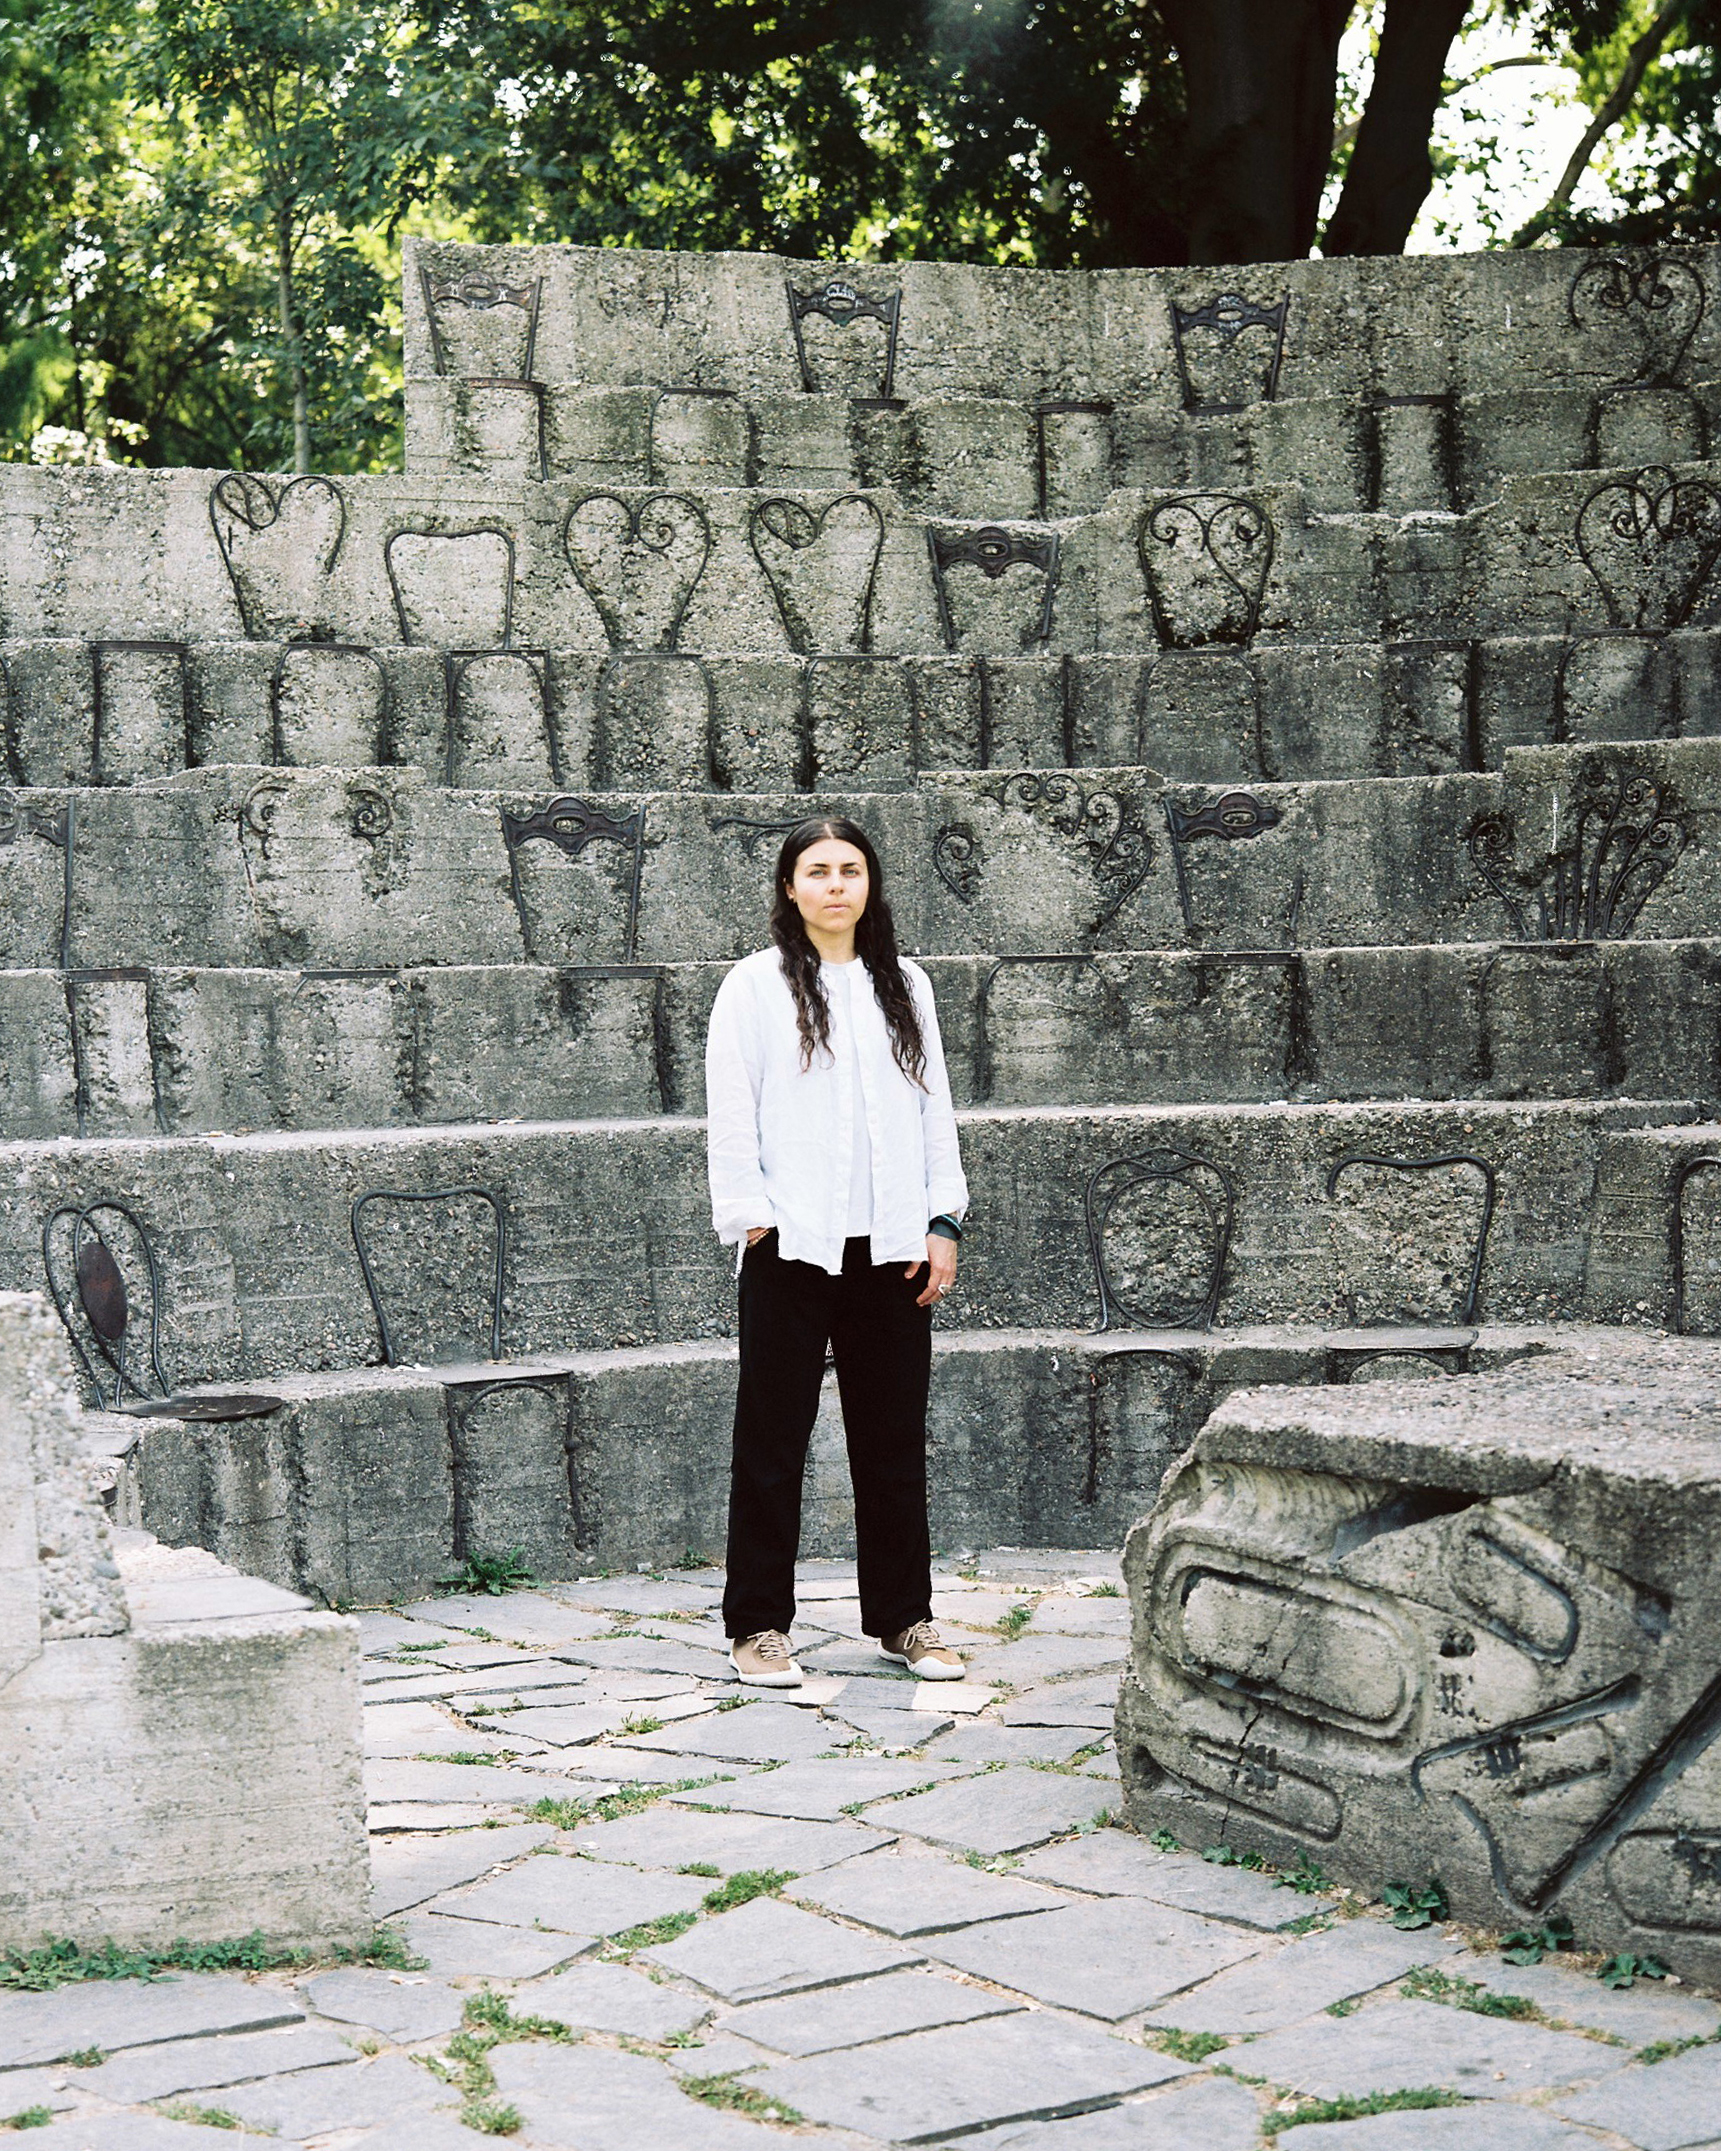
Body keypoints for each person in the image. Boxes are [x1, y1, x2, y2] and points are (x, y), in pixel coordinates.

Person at [705, 816, 970, 1687]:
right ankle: (757, 1626)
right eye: (815, 871)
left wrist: (943, 1221)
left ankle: (905, 1618)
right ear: (789, 887)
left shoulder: (906, 985)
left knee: (891, 1439)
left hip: (892, 1244)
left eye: (849, 870)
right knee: (772, 1440)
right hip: (791, 1241)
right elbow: (730, 1106)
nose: (833, 885)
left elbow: (934, 1110)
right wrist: (749, 1213)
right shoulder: (754, 986)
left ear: (869, 884)